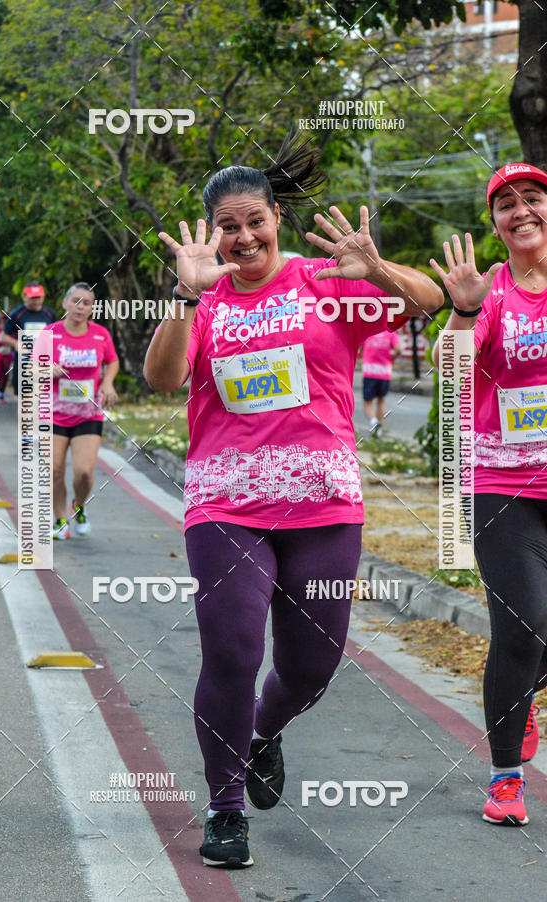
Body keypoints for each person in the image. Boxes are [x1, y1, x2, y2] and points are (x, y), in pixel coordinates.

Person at [145, 136, 443, 868]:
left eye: (256, 221)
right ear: (213, 232)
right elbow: (162, 379)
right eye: (228, 226)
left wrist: (377, 269)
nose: (244, 237)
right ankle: (225, 809)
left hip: (323, 506)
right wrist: (185, 296)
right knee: (233, 649)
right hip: (226, 504)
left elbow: (433, 302)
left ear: (277, 217)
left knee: (313, 667)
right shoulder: (204, 297)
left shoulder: (324, 282)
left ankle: (261, 732)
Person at [430, 162, 547, 827]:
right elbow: (450, 370)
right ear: (496, 224)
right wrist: (465, 309)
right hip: (504, 484)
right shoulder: (492, 291)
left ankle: (521, 688)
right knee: (524, 625)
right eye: (506, 204)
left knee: (533, 641)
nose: (521, 210)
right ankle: (506, 779)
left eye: (533, 197)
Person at [34, 282, 118, 539]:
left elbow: (112, 361)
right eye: (76, 301)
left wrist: (107, 382)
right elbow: (32, 368)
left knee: (83, 473)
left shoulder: (101, 334)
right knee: (54, 470)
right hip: (52, 413)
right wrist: (47, 369)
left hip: (88, 414)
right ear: (65, 304)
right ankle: (60, 520)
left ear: (92, 309)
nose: (80, 307)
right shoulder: (50, 333)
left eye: (87, 303)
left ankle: (79, 506)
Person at [2, 282, 56, 395]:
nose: (36, 301)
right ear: (24, 297)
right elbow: (4, 337)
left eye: (38, 297)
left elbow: (56, 335)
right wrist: (16, 343)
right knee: (25, 399)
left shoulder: (50, 314)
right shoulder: (17, 314)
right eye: (32, 298)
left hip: (43, 362)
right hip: (24, 363)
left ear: (43, 297)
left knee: (42, 397)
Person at [361, 329, 401, 436]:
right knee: (381, 401)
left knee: (367, 401)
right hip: (384, 372)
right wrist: (391, 358)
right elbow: (398, 349)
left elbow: (359, 347)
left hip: (370, 371)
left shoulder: (368, 331)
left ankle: (374, 422)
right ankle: (379, 430)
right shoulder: (391, 333)